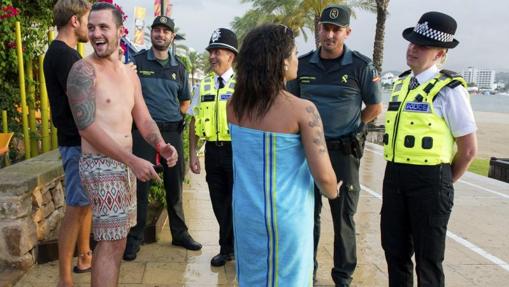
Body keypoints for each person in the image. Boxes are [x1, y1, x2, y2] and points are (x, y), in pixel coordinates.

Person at [66, 3, 178, 286]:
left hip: (124, 165)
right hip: (100, 165)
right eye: (91, 27)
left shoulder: (130, 74)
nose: (95, 33)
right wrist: (131, 160)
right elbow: (86, 127)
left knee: (118, 241)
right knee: (110, 242)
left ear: (120, 31)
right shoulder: (83, 71)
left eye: (103, 27)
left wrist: (161, 145)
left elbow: (142, 117)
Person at [227, 24, 339, 286]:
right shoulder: (303, 110)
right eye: (294, 53)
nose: (297, 59)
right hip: (286, 215)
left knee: (252, 277)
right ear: (279, 62)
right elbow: (324, 176)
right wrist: (334, 190)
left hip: (246, 213)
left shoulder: (233, 106)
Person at [287, 4, 383, 286]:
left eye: (336, 30)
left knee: (343, 218)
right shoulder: (302, 64)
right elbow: (290, 104)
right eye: (325, 28)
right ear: (319, 29)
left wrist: (354, 128)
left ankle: (343, 276)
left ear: (347, 32)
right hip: (306, 153)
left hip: (343, 152)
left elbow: (375, 106)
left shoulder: (360, 66)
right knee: (307, 215)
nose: (329, 35)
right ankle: (308, 270)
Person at [381, 12, 477, 287]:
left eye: (423, 45)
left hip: (431, 181)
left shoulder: (450, 90)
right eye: (412, 42)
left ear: (440, 54)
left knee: (428, 260)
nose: (413, 48)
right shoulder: (400, 84)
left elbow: (468, 150)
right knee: (395, 253)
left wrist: (443, 182)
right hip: (395, 178)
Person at [123, 15, 200, 262]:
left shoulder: (179, 67)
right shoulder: (136, 62)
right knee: (140, 188)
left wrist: (169, 122)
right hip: (142, 134)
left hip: (171, 133)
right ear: (151, 34)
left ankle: (180, 234)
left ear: (171, 37)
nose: (161, 34)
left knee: (174, 186)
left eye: (166, 31)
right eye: (157, 30)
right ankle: (134, 239)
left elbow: (185, 102)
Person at [43, 1, 92, 286]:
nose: (90, 27)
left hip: (76, 141)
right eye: (87, 20)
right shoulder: (65, 57)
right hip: (75, 143)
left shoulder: (64, 54)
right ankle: (64, 278)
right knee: (75, 207)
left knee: (84, 204)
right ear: (75, 21)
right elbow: (81, 104)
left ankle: (85, 255)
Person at [188, 28, 237, 267]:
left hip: (237, 153)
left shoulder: (243, 85)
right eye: (210, 51)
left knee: (236, 202)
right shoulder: (204, 85)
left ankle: (229, 247)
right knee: (218, 202)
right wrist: (192, 155)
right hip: (212, 153)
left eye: (217, 51)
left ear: (231, 56)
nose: (212, 56)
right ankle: (228, 247)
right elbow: (194, 120)